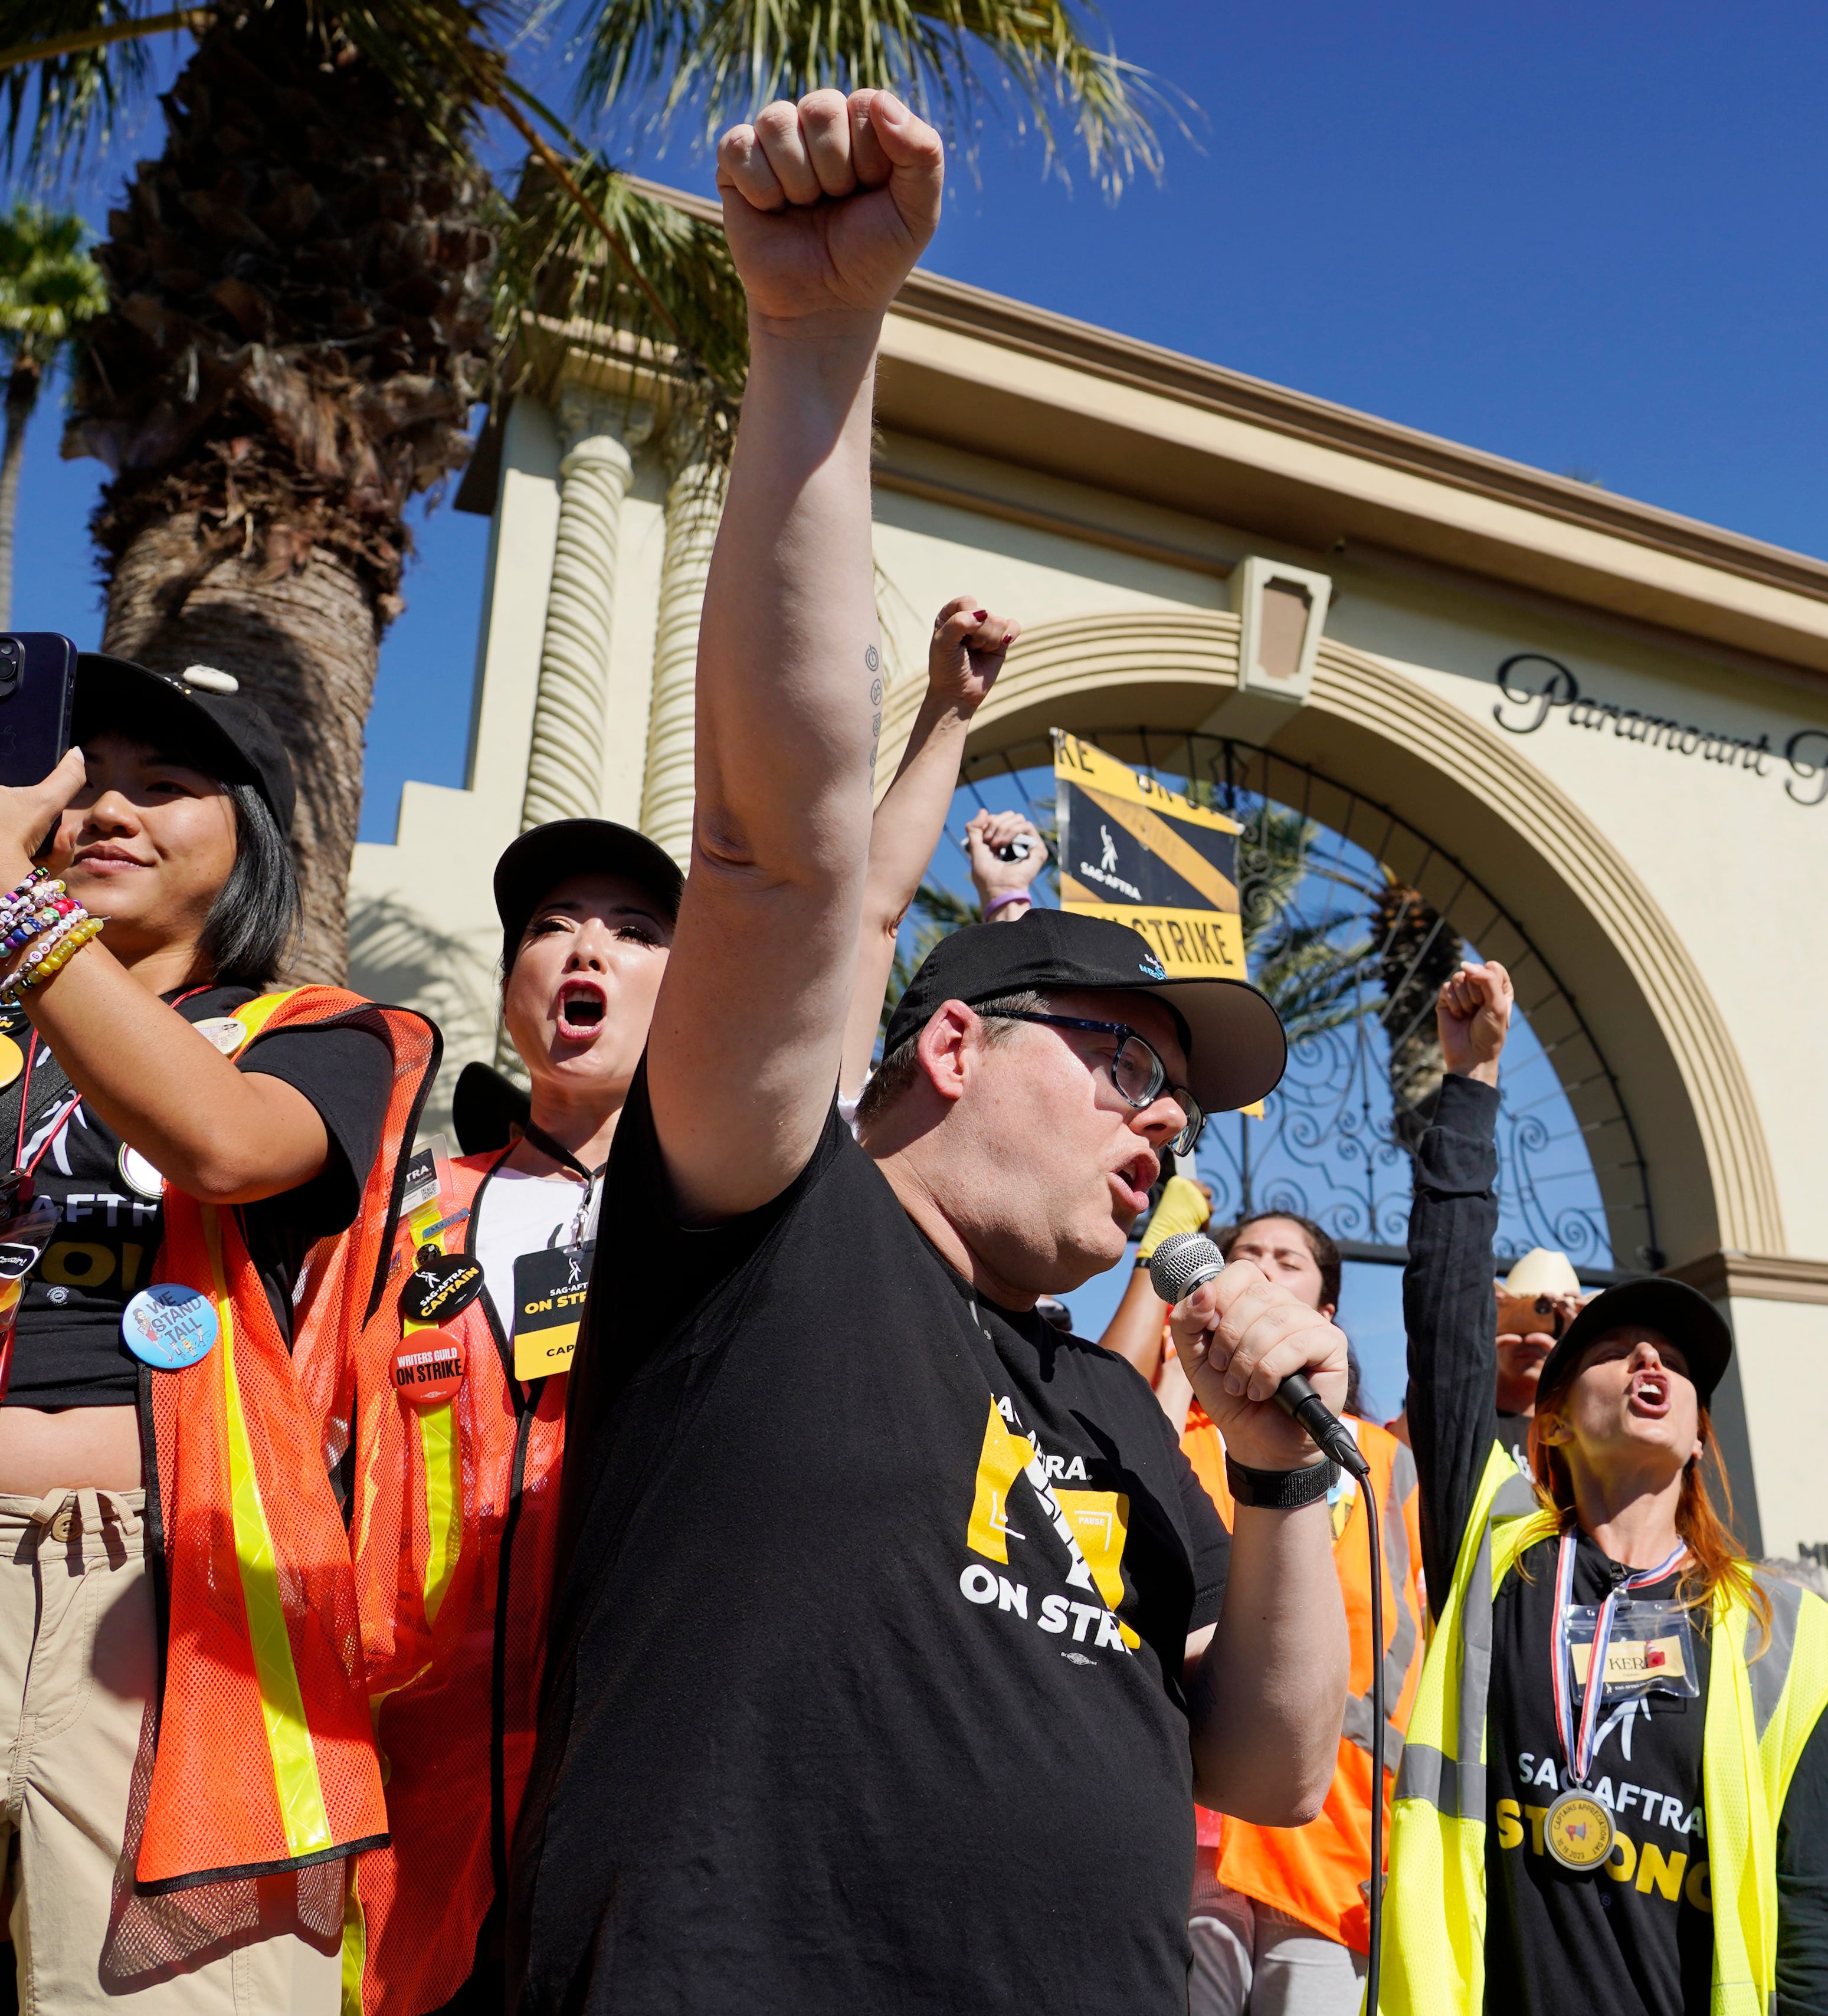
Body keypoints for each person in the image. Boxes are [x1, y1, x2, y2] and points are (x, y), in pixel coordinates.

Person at [507, 90, 1352, 2012]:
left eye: (1189, 1096)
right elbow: (778, 858)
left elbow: (1268, 1762)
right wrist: (816, 349)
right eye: (1130, 1058)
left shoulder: (1124, 1418)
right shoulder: (758, 1222)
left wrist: (1286, 1472)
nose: (1166, 1121)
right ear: (953, 1039)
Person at [0, 656, 434, 2010]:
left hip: (177, 1615)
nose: (110, 811)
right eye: (83, 786)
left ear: (252, 848)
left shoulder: (329, 1033)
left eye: (165, 788)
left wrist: (10, 904)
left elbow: (227, 1145)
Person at [1384, 958, 1828, 2015]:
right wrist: (1469, 1089)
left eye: (1676, 1361)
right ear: (1551, 1417)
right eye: (1616, 1351)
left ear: (1699, 1433)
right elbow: (1447, 1323)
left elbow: (1819, 1920)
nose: (1652, 1364)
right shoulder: (1495, 1547)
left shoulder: (1787, 1638)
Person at [339, 817, 680, 2015]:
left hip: (636, 1753)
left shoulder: (718, 1219)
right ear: (512, 987)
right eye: (553, 928)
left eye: (635, 933)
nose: (587, 948)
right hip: (410, 1777)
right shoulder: (405, 1206)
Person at [1168, 1208, 1427, 2016]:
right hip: (1192, 1827)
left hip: (1332, 1835)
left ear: (1326, 1316)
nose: (1263, 1269)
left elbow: (1410, 1642)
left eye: (1288, 1261)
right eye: (1243, 1256)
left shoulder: (1379, 1459)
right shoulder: (1173, 1428)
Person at [833, 593, 1027, 1106]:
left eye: (636, 931)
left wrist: (953, 704)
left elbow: (873, 912)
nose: (590, 950)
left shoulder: (806, 1139)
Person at [1491, 1248, 1581, 1456]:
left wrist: (1589, 1347)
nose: (1534, 1339)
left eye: (1553, 1327)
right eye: (1519, 1322)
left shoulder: (1587, 1436)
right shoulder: (1460, 1420)